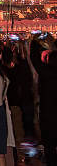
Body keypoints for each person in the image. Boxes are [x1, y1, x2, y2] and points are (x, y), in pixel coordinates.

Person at [29, 35, 57, 165]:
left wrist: (33, 41)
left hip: (48, 113)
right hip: (50, 112)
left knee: (49, 146)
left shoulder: (47, 74)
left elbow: (34, 59)